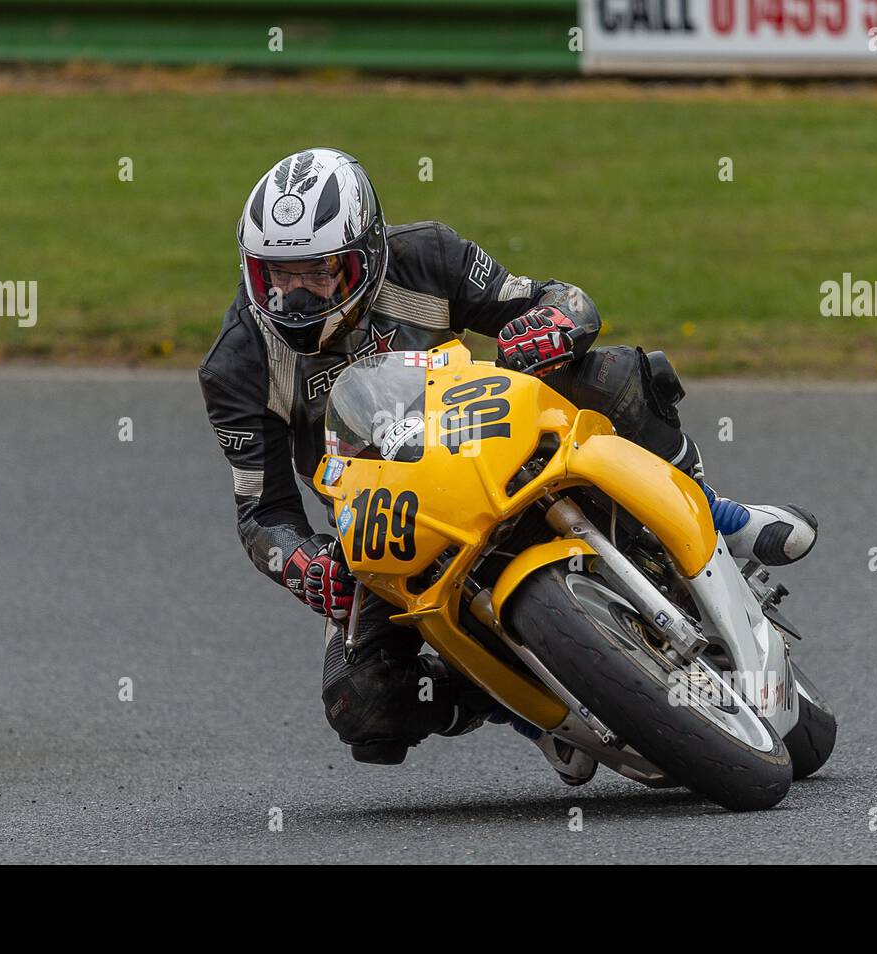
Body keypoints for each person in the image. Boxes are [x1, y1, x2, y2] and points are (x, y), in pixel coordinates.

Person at [199, 148, 817, 782]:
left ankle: (717, 513)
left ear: (368, 253)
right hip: (390, 522)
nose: (296, 295)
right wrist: (302, 563)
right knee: (363, 706)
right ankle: (525, 703)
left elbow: (558, 299)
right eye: (276, 275)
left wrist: (549, 326)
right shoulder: (236, 366)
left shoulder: (427, 255)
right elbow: (262, 512)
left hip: (486, 437)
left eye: (319, 273)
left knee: (613, 373)